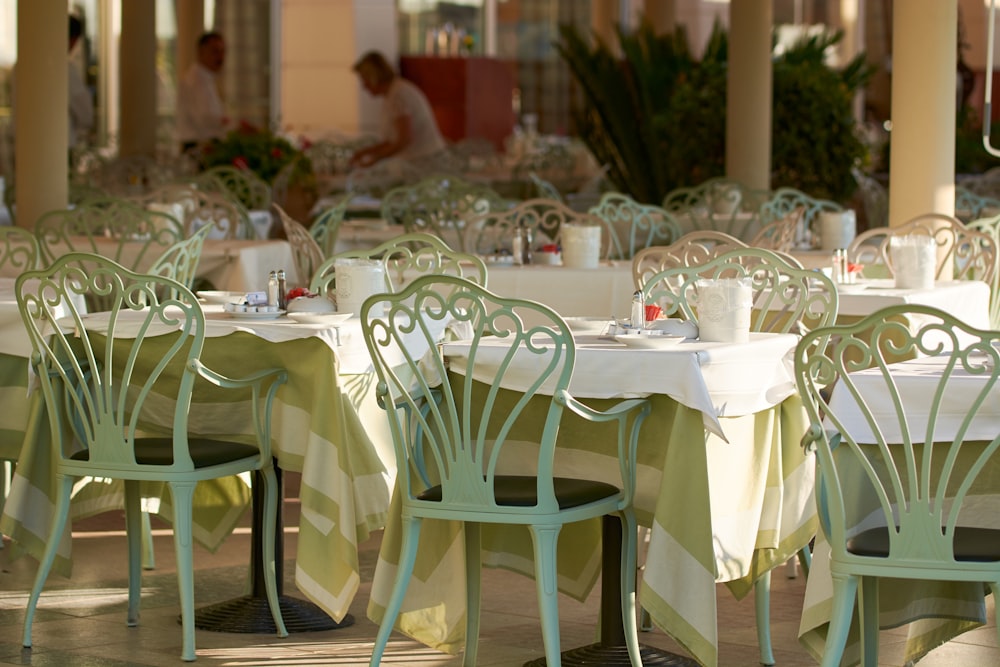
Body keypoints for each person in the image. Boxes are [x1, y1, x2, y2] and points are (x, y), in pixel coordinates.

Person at [348, 51, 445, 169]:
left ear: (373, 76)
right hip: (417, 163)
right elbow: (393, 140)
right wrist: (366, 152)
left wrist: (375, 161)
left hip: (425, 164)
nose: (364, 86)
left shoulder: (399, 95)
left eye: (364, 79)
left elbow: (404, 139)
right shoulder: (393, 93)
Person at [176, 31, 228, 154]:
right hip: (199, 147)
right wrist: (228, 122)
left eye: (223, 52)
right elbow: (204, 118)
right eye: (215, 51)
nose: (220, 57)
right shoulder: (196, 81)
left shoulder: (206, 78)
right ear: (201, 52)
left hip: (204, 145)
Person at [67, 15, 94, 148]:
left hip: (22, 147)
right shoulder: (64, 70)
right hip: (60, 146)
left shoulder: (20, 67)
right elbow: (85, 113)